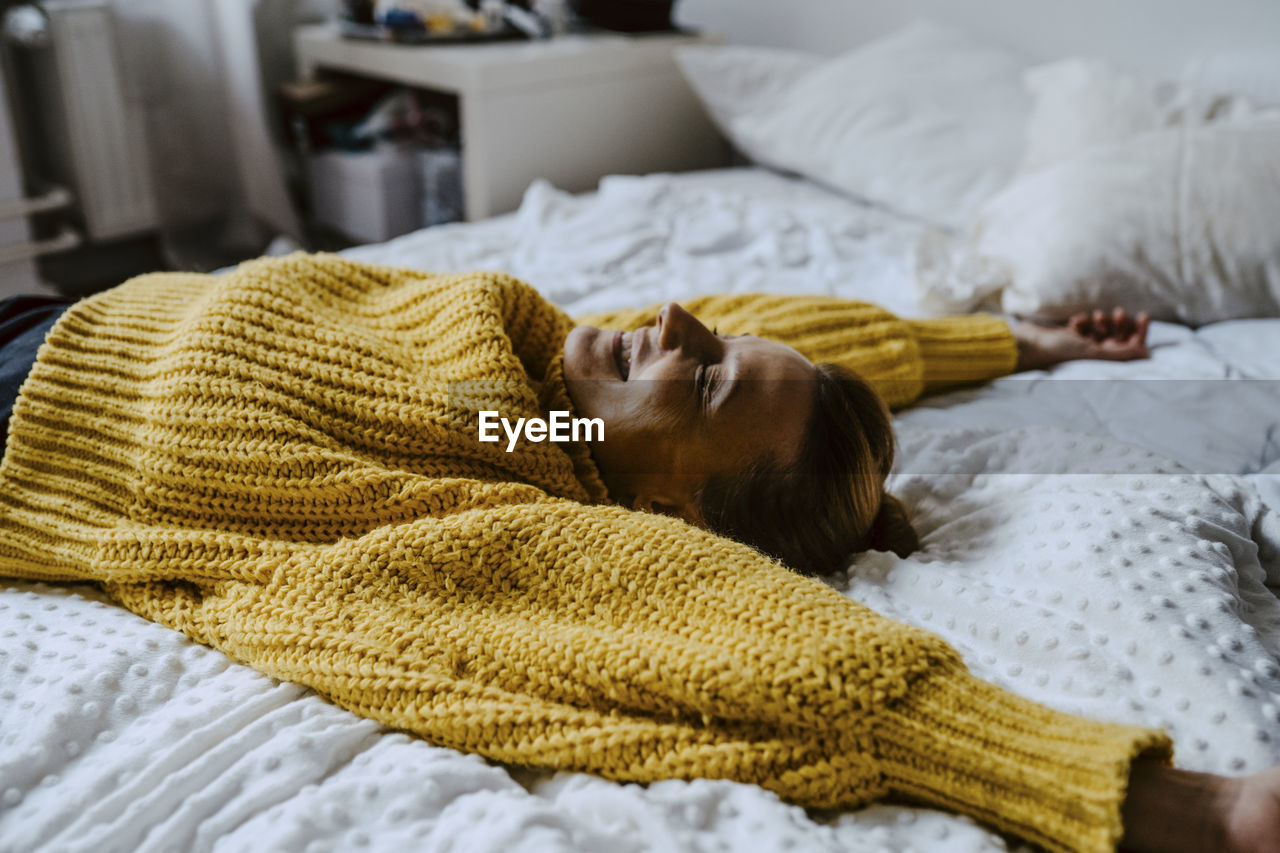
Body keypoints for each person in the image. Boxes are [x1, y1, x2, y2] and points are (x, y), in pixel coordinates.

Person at [0, 254, 1275, 853]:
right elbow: (787, 331)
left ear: (673, 520)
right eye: (700, 336)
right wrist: (1017, 343)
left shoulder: (505, 482)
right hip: (65, 305)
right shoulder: (553, 370)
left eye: (702, 375)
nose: (668, 319)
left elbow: (725, 632)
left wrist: (1191, 809)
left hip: (24, 416)